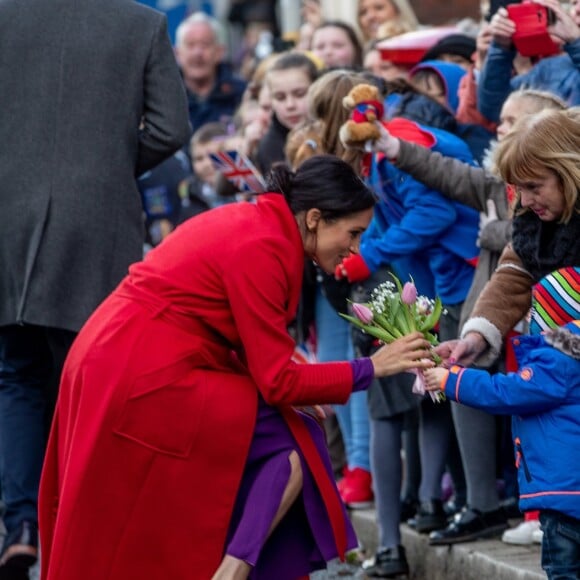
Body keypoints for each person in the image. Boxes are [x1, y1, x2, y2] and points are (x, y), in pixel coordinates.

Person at [37, 155, 434, 580]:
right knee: (294, 444)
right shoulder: (265, 244)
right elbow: (279, 381)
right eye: (353, 233)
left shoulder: (262, 226)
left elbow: (254, 345)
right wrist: (371, 368)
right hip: (139, 367)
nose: (355, 248)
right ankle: (232, 569)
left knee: (290, 437)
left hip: (124, 356)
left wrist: (313, 386)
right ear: (316, 218)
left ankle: (233, 565)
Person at [0, 0, 191, 576]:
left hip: (7, 214)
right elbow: (170, 128)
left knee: (15, 372)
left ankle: (22, 524)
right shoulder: (143, 23)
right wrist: (105, 163)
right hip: (97, 222)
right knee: (86, 380)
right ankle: (77, 526)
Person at [369, 87, 568, 545]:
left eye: (514, 120)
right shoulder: (519, 188)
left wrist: (496, 231)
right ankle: (522, 508)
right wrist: (478, 333)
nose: (500, 129)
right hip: (516, 324)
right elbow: (516, 260)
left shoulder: (545, 189)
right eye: (499, 121)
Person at [424, 266, 580, 580]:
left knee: (563, 572)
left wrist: (451, 380)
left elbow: (505, 392)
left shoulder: (556, 363)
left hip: (564, 500)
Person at [477, 0, 580, 122]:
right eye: (574, 3)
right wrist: (500, 48)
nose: (577, 9)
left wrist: (576, 42)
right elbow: (494, 108)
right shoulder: (550, 68)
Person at [174, 12, 247, 134]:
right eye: (190, 45)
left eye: (205, 45)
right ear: (177, 53)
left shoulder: (241, 94)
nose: (198, 53)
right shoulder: (163, 96)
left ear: (220, 51)